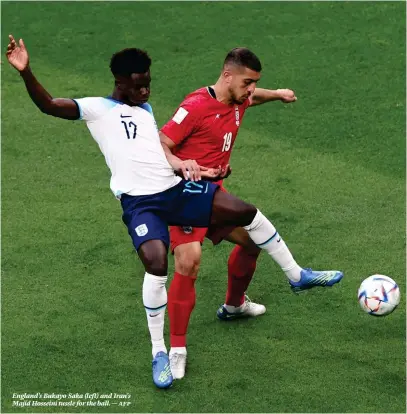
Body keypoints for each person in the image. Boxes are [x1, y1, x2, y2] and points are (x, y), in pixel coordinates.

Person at [6, 35, 343, 389]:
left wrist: (197, 170)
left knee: (245, 211)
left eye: (148, 83)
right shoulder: (96, 108)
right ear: (120, 83)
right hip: (139, 203)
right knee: (157, 262)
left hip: (174, 190)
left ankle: (295, 275)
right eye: (139, 86)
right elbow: (48, 105)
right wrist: (26, 71)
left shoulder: (146, 111)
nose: (146, 91)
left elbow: (159, 156)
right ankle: (160, 352)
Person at [159, 48, 342, 379]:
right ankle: (177, 350)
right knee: (189, 261)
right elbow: (163, 140)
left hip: (214, 193)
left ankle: (234, 306)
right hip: (183, 195)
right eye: (247, 82)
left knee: (253, 241)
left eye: (254, 84)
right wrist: (181, 165)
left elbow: (253, 99)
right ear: (227, 76)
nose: (250, 90)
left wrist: (279, 95)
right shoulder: (195, 106)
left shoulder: (239, 98)